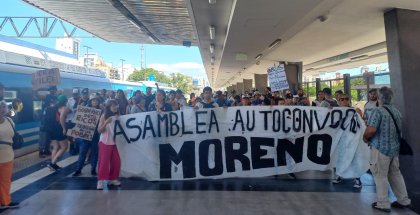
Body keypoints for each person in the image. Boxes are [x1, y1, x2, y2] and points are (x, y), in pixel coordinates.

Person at [363, 87, 411, 212]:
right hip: (394, 149)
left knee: (380, 175)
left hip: (380, 149)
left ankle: (383, 203)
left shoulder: (377, 111)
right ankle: (404, 200)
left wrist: (365, 137)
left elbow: (371, 130)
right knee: (395, 174)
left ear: (379, 97)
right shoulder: (396, 111)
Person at [333, 93, 363, 188]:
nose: (344, 101)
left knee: (354, 158)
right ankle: (339, 175)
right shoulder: (335, 112)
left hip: (353, 139)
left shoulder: (355, 110)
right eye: (342, 99)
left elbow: (360, 122)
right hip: (340, 139)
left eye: (346, 99)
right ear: (338, 101)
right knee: (339, 157)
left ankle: (357, 178)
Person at [72, 95, 101, 177]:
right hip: (84, 135)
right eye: (93, 101)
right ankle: (78, 170)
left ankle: (93, 169)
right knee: (82, 153)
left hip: (95, 136)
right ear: (90, 101)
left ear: (98, 102)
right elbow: (79, 122)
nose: (95, 102)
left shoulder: (101, 111)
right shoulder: (84, 110)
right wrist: (75, 133)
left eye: (96, 101)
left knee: (94, 153)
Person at [97, 100, 121, 190]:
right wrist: (106, 122)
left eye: (116, 105)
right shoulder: (104, 116)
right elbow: (99, 130)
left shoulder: (118, 116)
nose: (115, 107)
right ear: (109, 107)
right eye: (113, 106)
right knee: (104, 162)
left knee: (116, 162)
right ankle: (100, 181)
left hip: (115, 143)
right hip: (105, 142)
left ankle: (113, 178)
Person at [0, 100, 20, 209]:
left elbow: (12, 137)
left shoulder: (9, 121)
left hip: (8, 156)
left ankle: (6, 201)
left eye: (3, 107)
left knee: (5, 180)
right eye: (0, 107)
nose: (1, 109)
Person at [44, 95, 69, 171]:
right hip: (58, 128)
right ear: (65, 101)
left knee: (56, 147)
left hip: (51, 128)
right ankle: (52, 163)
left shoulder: (52, 106)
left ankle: (53, 164)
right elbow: (61, 118)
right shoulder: (64, 108)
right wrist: (64, 129)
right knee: (64, 147)